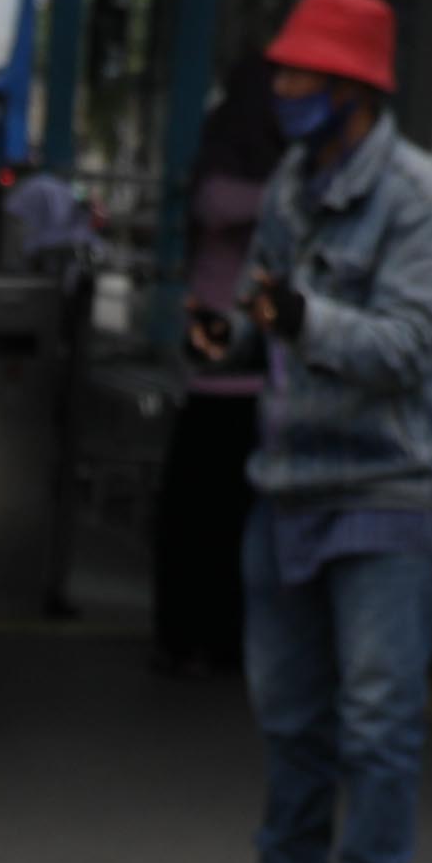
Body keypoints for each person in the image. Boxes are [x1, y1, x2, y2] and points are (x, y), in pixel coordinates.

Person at [191, 0, 432, 863]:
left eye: (304, 76)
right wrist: (222, 331)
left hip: (389, 485)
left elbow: (407, 346)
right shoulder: (292, 183)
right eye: (284, 73)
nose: (286, 90)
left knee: (377, 704)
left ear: (355, 91)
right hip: (290, 475)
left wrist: (299, 319)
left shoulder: (423, 198)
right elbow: (264, 302)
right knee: (288, 698)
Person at [146, 72, 278, 674]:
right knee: (210, 509)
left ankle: (217, 637)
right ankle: (195, 635)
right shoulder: (246, 168)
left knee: (221, 512)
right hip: (225, 358)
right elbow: (216, 203)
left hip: (261, 363)